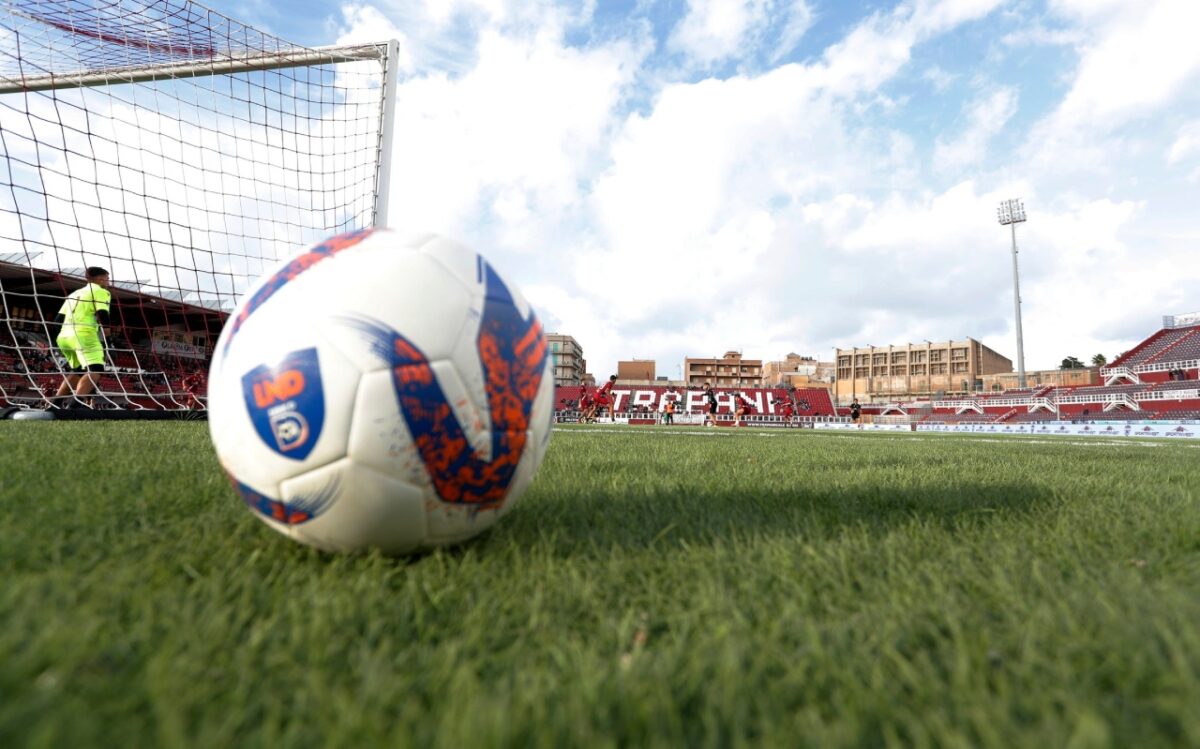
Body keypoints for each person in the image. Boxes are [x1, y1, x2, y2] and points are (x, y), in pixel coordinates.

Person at [50, 267, 115, 408]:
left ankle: (55, 404)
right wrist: (109, 342)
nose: (109, 281)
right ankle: (75, 405)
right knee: (96, 369)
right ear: (99, 279)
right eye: (107, 278)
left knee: (78, 371)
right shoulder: (101, 291)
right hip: (84, 334)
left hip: (65, 337)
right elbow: (103, 315)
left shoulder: (74, 294)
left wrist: (58, 341)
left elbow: (57, 321)